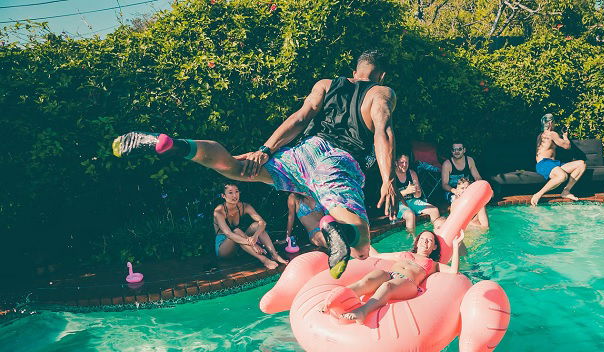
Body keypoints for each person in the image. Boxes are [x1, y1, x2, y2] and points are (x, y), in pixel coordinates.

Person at [112, 50, 399, 279]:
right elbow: (382, 132)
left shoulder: (326, 84)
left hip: (302, 155)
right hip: (338, 161)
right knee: (361, 245)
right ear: (382, 75)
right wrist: (387, 179)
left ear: (355, 69)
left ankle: (175, 145)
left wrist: (265, 149)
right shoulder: (381, 92)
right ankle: (333, 228)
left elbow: (300, 118)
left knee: (233, 167)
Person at [324, 229, 465, 324]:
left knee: (388, 286)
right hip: (390, 274)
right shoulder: (404, 254)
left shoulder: (433, 264)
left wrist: (455, 246)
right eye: (422, 239)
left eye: (430, 240)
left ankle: (363, 311)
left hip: (408, 283)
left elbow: (453, 271)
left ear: (434, 247)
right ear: (417, 242)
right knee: (371, 278)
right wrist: (360, 240)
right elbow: (377, 255)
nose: (425, 242)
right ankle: (338, 298)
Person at [213, 183, 288, 269]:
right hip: (224, 249)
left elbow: (262, 222)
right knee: (237, 231)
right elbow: (229, 234)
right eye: (230, 192)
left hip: (241, 244)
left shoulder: (245, 206)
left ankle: (274, 255)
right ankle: (264, 260)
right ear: (223, 195)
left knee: (257, 225)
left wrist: (255, 236)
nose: (234, 195)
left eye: (236, 191)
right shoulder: (219, 211)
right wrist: (253, 244)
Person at [531, 113, 586, 206]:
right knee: (562, 176)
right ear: (551, 123)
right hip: (544, 164)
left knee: (581, 164)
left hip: (554, 163)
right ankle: (538, 194)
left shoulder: (540, 135)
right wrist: (565, 136)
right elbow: (567, 146)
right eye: (555, 122)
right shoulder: (552, 134)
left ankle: (566, 191)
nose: (555, 124)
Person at [394, 152, 440, 235]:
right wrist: (406, 192)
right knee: (410, 215)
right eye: (402, 162)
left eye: (406, 162)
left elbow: (418, 195)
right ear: (396, 163)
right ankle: (412, 241)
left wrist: (417, 192)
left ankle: (437, 235)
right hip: (398, 203)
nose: (404, 165)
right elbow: (391, 197)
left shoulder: (412, 173)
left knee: (434, 210)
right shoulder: (392, 176)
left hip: (412, 201)